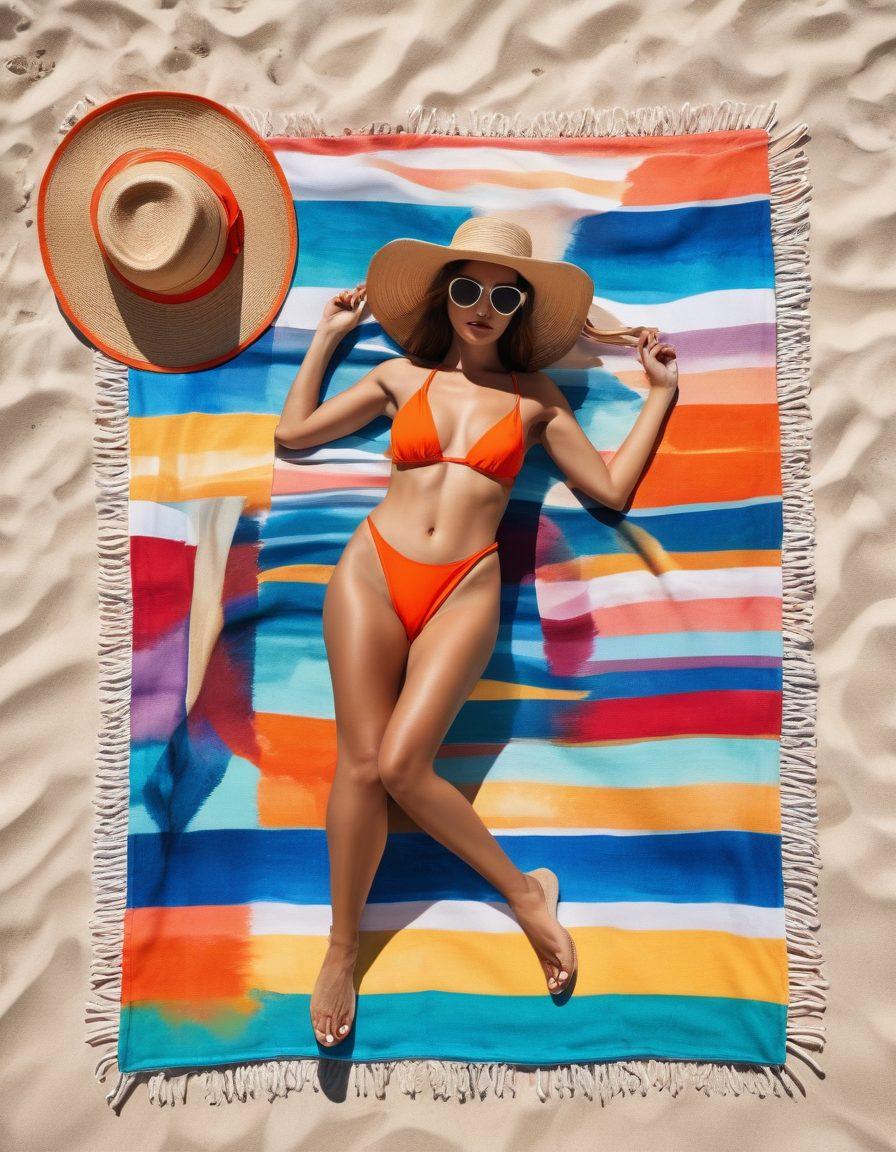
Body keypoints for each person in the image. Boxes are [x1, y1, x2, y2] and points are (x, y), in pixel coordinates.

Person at [274, 219, 678, 1049]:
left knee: (401, 766)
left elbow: (610, 492)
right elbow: (293, 434)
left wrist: (662, 396)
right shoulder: (395, 374)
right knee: (359, 765)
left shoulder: (536, 400)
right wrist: (325, 339)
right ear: (444, 295)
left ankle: (527, 893)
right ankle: (341, 951)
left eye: (504, 294)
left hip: (464, 587)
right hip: (371, 570)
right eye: (467, 289)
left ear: (521, 305)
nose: (483, 308)